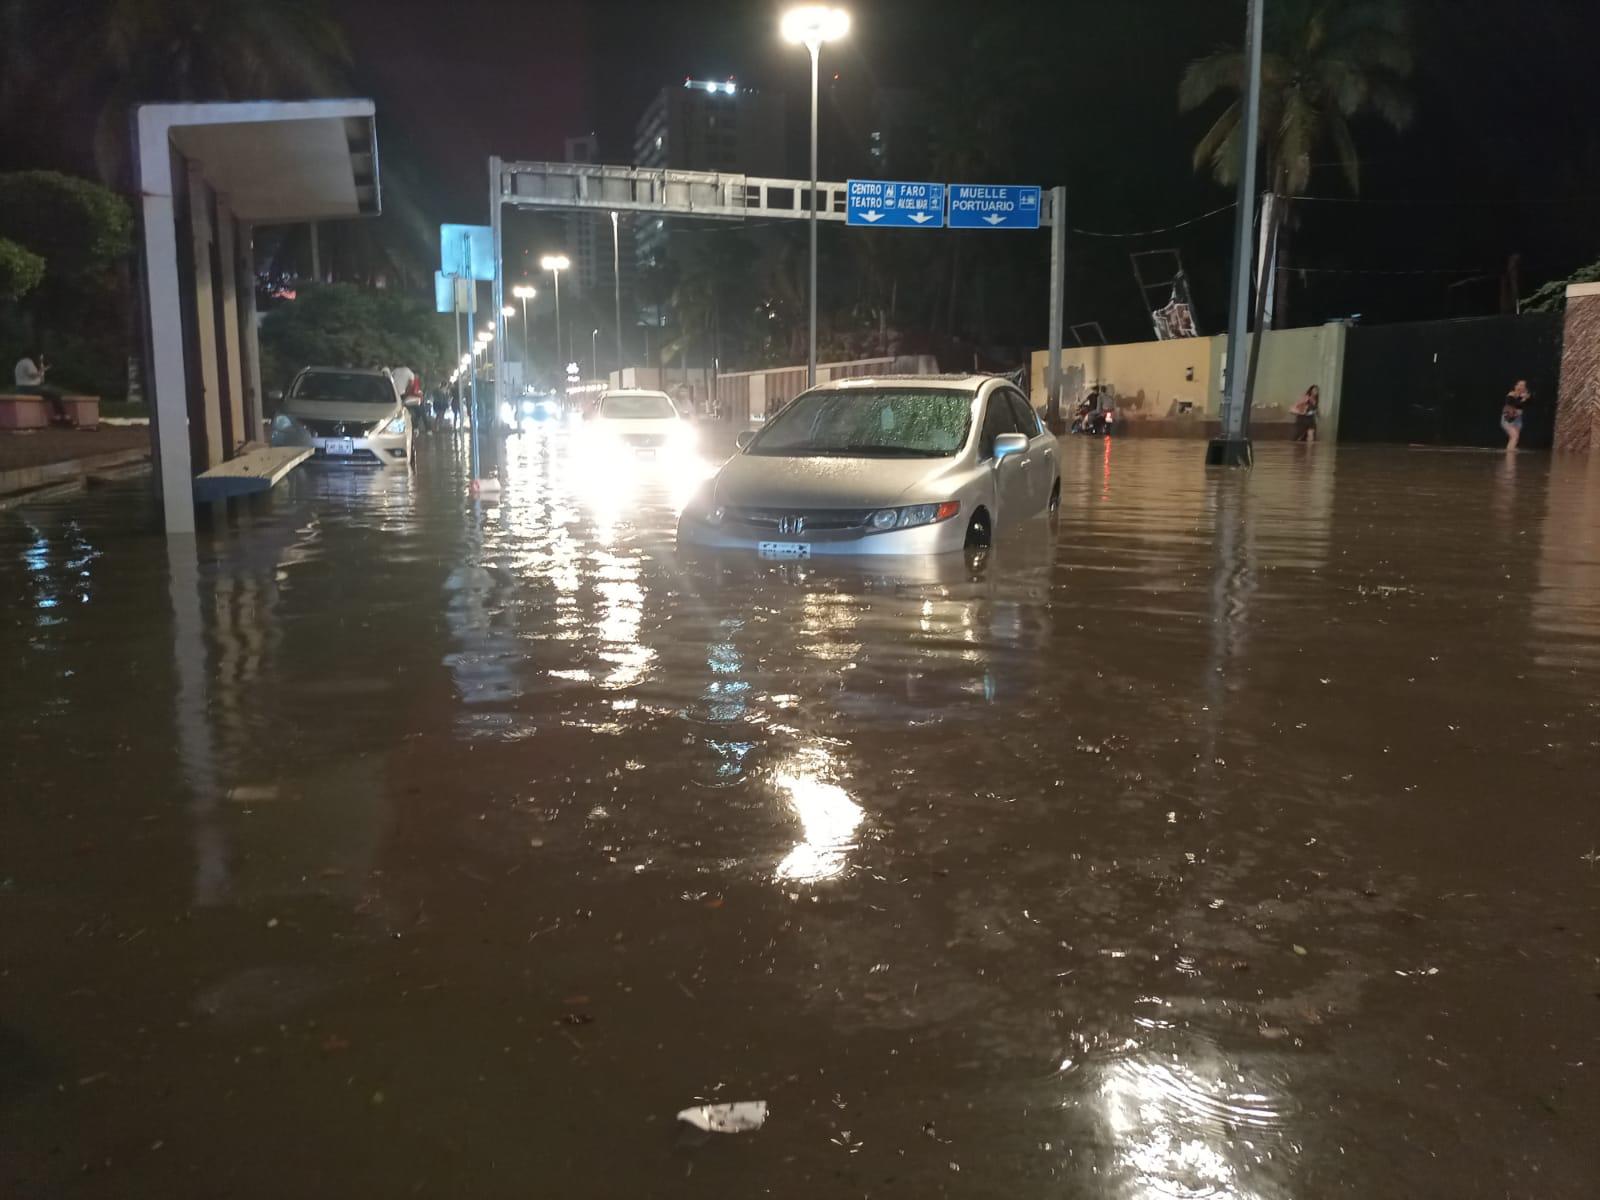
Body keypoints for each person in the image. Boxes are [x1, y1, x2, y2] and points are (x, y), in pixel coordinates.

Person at [13, 352, 69, 424]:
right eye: (40, 358)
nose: (40, 359)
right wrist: (43, 369)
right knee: (55, 392)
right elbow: (32, 375)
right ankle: (63, 415)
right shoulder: (28, 362)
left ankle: (58, 416)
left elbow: (41, 380)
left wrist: (42, 369)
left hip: (24, 387)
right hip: (29, 388)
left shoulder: (20, 362)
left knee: (52, 391)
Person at [1501, 379, 1532, 451]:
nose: (1521, 387)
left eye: (1523, 385)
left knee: (1515, 438)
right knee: (1514, 436)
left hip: (1518, 419)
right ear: (1515, 386)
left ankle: (1510, 456)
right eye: (1520, 385)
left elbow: (1525, 406)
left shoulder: (1524, 396)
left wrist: (1526, 398)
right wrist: (1523, 399)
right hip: (1508, 418)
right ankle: (1509, 455)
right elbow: (1514, 405)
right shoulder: (1511, 394)